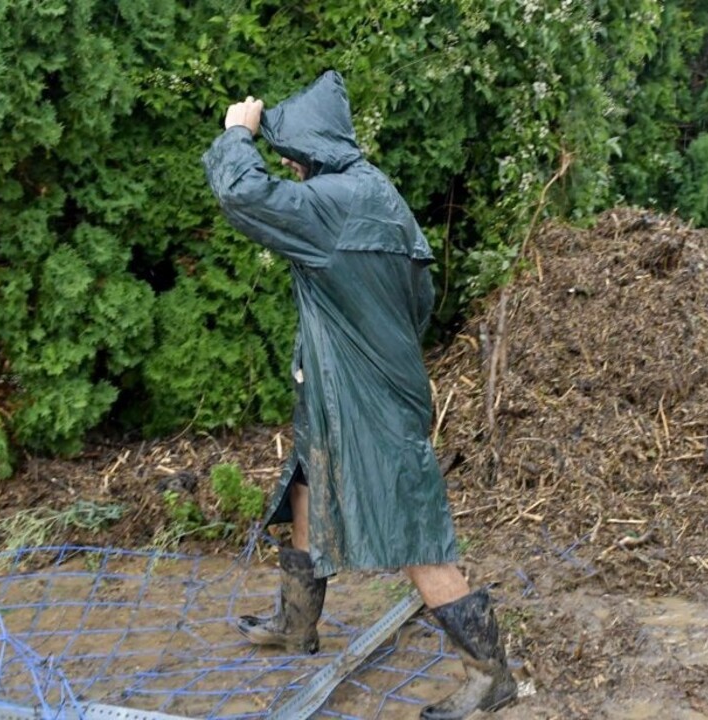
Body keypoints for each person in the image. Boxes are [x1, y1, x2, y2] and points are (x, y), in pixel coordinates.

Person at [202, 71, 517, 719]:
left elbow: (242, 192)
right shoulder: (375, 193)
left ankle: (490, 674)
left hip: (369, 395)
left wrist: (239, 132)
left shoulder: (331, 204)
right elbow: (417, 300)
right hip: (350, 382)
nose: (288, 165)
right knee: (307, 485)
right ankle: (297, 625)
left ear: (313, 149)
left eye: (292, 154)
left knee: (411, 531)